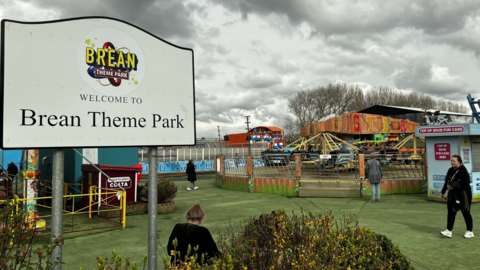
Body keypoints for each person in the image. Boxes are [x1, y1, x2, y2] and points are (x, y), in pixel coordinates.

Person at [440, 155, 474, 238]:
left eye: (454, 161)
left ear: (459, 161)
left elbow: (466, 183)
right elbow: (447, 182)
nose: (452, 162)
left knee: (465, 212)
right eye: (451, 161)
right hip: (452, 194)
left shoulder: (463, 170)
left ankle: (470, 231)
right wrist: (443, 191)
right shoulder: (450, 170)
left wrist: (454, 186)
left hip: (463, 194)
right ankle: (449, 230)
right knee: (451, 212)